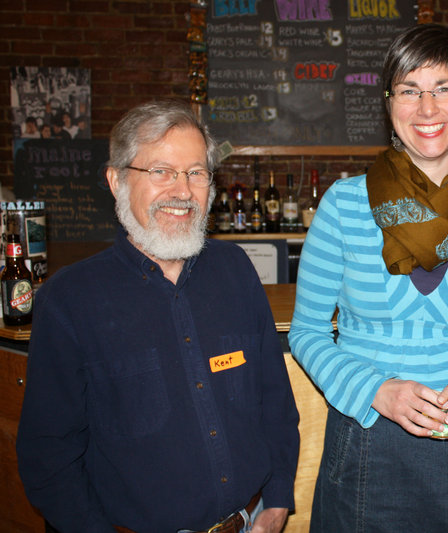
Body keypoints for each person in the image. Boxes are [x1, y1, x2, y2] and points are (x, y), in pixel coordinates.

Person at [17, 99, 300, 533]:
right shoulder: (69, 301)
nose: (182, 191)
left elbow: (275, 402)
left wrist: (278, 498)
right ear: (116, 181)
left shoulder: (236, 271)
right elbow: (48, 459)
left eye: (196, 173)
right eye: (161, 171)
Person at [289, 23, 448, 532]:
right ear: (388, 103)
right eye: (410, 91)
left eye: (443, 88)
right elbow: (307, 331)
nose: (427, 108)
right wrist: (376, 390)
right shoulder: (344, 205)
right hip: (366, 443)